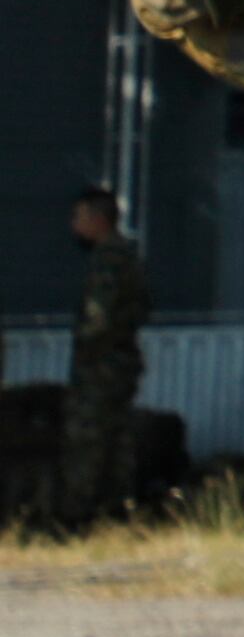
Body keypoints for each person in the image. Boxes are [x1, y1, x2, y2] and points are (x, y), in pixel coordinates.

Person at [57, 184, 144, 527]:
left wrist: (86, 349)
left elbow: (99, 319)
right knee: (117, 439)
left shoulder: (108, 259)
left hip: (101, 368)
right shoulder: (126, 255)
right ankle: (117, 513)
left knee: (86, 439)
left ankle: (77, 516)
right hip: (119, 365)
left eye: (78, 217)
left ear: (98, 219)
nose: (74, 225)